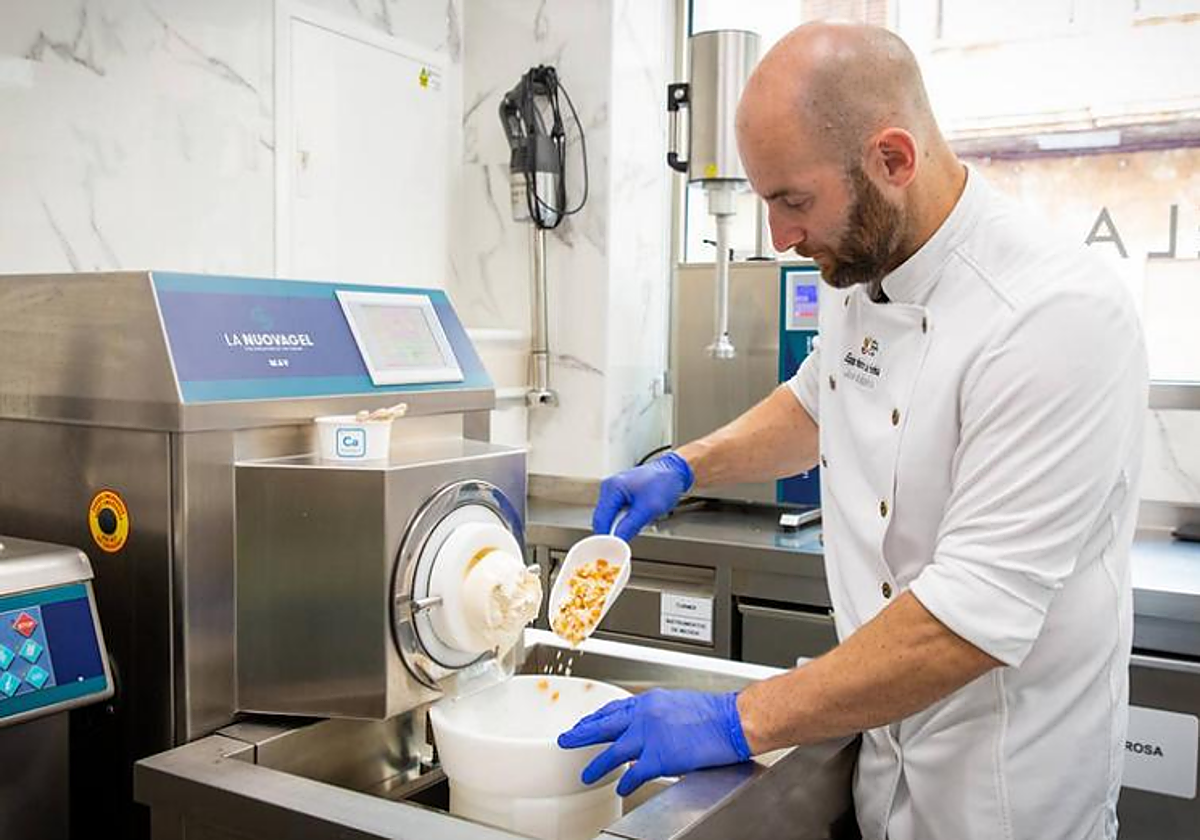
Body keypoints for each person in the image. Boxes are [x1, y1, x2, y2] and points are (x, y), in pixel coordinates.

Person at [557, 21, 1147, 840]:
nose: (780, 239)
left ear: (893, 159)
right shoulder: (862, 265)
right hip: (883, 773)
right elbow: (817, 402)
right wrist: (684, 467)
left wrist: (736, 719)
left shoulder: (1054, 315)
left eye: (793, 202)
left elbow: (967, 620)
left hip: (1008, 797)